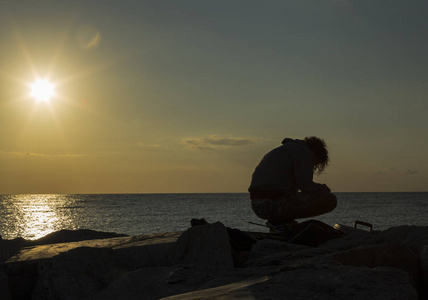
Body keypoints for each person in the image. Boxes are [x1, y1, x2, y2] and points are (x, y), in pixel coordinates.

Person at [248, 137, 337, 231]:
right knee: (330, 200)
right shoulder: (303, 152)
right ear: (315, 153)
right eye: (314, 163)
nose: (312, 167)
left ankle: (283, 222)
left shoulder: (286, 149)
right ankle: (279, 223)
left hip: (258, 205)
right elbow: (306, 186)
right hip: (271, 205)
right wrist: (322, 189)